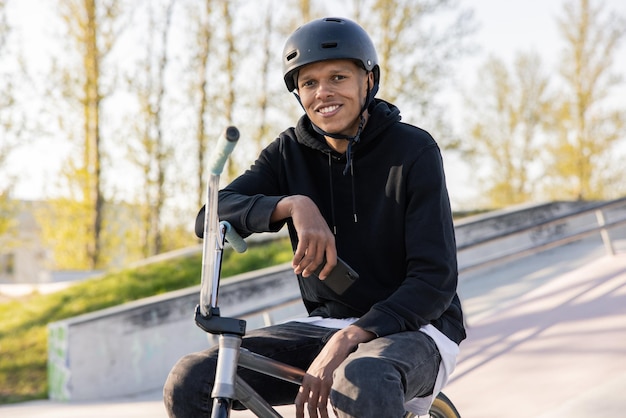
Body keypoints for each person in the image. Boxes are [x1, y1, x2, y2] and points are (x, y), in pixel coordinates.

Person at [164, 17, 465, 418]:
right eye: (309, 83)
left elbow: (434, 281)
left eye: (338, 77)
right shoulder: (288, 152)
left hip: (417, 326)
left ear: (368, 81)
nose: (323, 93)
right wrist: (293, 205)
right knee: (194, 375)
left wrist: (349, 340)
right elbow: (210, 217)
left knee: (360, 379)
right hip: (328, 323)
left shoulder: (413, 150)